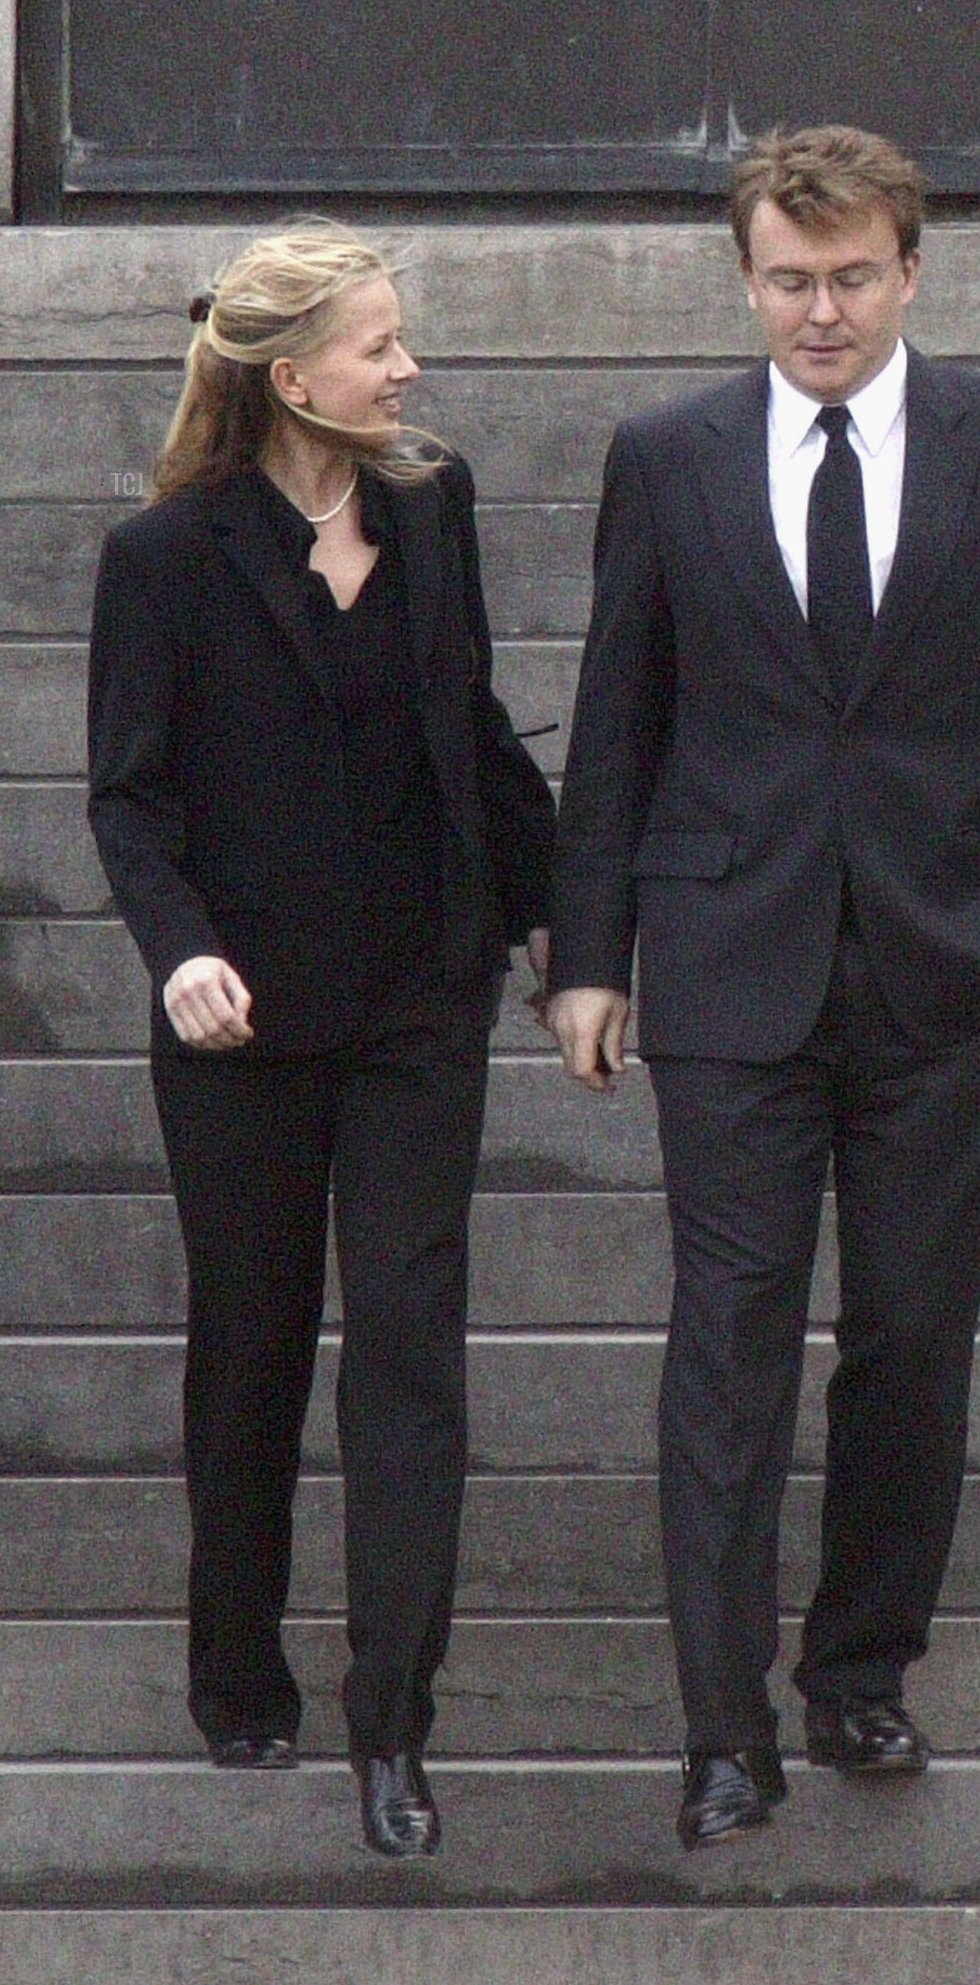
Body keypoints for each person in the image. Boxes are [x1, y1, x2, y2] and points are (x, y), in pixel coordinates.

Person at [545, 125, 980, 1850]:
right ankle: (725, 1729)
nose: (819, 309)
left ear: (910, 270)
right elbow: (614, 728)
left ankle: (860, 1666)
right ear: (747, 279)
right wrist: (591, 958)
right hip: (733, 970)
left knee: (907, 1339)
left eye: (851, 276)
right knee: (726, 1346)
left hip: (960, 977)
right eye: (789, 280)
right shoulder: (667, 456)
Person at [87, 221, 555, 1859]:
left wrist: (566, 921)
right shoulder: (165, 560)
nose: (409, 367)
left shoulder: (435, 510)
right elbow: (130, 798)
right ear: (295, 378)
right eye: (380, 344)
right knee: (255, 1346)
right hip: (248, 1028)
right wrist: (181, 949)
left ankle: (395, 1723)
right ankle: (238, 1670)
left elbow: (477, 724)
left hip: (423, 1004)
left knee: (414, 1351)